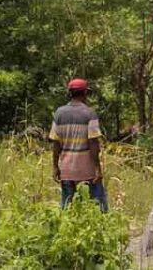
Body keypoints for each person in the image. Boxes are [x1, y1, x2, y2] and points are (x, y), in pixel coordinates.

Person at [49, 78, 108, 211]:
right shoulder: (89, 113)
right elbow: (93, 143)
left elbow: (56, 143)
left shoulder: (59, 113)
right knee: (98, 206)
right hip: (87, 171)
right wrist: (98, 167)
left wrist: (55, 167)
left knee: (68, 207)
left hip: (66, 170)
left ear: (70, 93)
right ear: (85, 93)